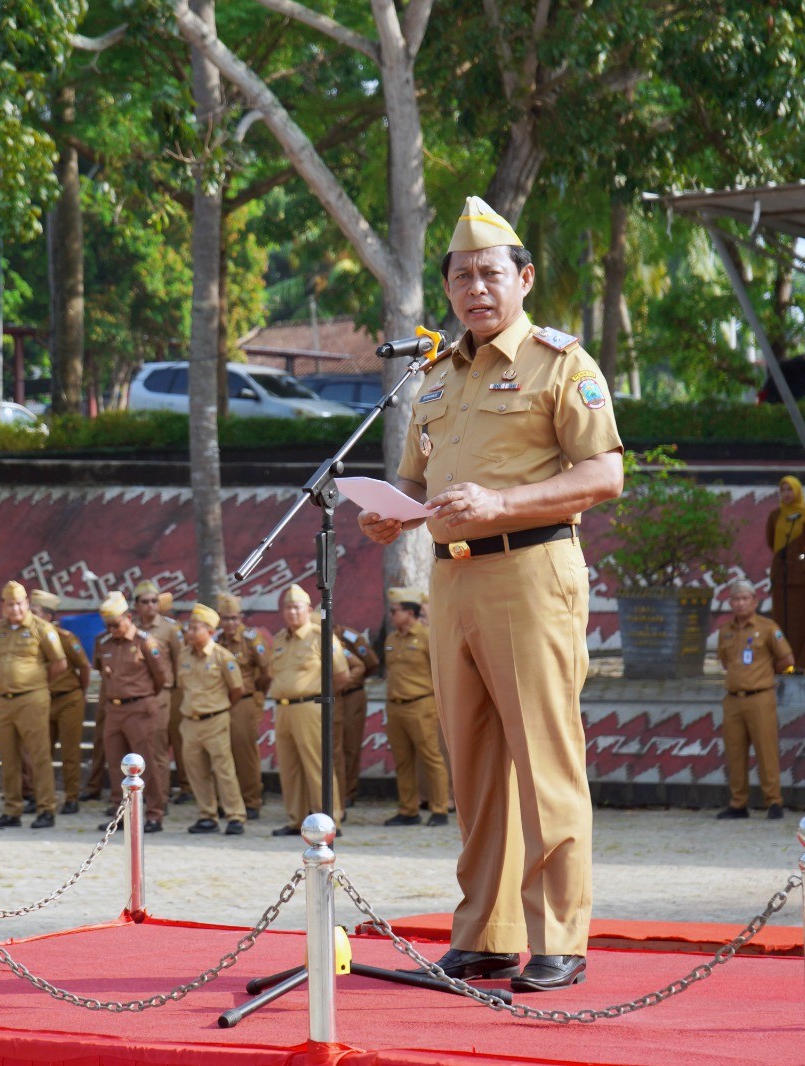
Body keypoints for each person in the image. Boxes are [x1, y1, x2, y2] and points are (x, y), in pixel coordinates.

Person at [358, 195, 623, 993]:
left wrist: (501, 503)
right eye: (461, 277)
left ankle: (559, 938)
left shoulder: (560, 363)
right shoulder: (435, 376)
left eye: (490, 274)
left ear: (523, 279)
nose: (475, 288)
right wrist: (389, 513)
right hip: (453, 578)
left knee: (543, 759)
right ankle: (485, 935)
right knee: (471, 765)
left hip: (531, 573)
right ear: (446, 289)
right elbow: (415, 479)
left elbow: (605, 474)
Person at [266, 584, 349, 837]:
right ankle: (296, 820)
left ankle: (329, 820)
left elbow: (341, 675)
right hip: (283, 708)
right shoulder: (279, 639)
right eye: (288, 607)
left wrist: (321, 696)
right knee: (289, 768)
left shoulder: (320, 636)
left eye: (297, 607)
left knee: (317, 765)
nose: (292, 612)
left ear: (308, 609)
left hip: (310, 707)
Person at [0, 580, 67, 828]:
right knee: (8, 757)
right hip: (5, 700)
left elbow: (59, 664)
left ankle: (46, 808)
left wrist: (38, 683)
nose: (16, 609)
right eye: (10, 605)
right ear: (3, 606)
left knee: (39, 756)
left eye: (19, 604)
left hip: (32, 699)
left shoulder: (41, 628)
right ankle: (12, 810)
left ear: (27, 603)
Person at [714, 579, 794, 820]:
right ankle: (738, 803)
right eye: (735, 599)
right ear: (730, 603)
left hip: (760, 697)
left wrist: (766, 674)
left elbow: (787, 660)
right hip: (733, 699)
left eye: (744, 599)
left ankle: (774, 801)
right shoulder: (725, 631)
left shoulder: (768, 628)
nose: (740, 603)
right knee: (735, 753)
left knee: (766, 751)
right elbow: (725, 662)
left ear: (755, 601)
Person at [94, 591, 172, 832]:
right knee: (116, 764)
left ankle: (154, 813)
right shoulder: (103, 643)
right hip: (114, 710)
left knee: (146, 762)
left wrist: (143, 697)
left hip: (140, 709)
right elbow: (102, 672)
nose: (112, 629)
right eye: (108, 625)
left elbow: (161, 677)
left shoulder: (145, 641)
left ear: (128, 618)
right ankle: (121, 814)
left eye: (116, 625)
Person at [176, 602, 247, 835]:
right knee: (197, 771)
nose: (190, 632)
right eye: (189, 627)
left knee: (224, 771)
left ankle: (235, 816)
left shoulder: (222, 657)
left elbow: (237, 690)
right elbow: (182, 686)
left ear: (210, 631)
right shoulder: (183, 655)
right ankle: (207, 815)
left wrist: (219, 708)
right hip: (190, 722)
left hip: (216, 720)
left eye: (195, 628)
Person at [382, 587, 451, 827]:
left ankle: (440, 808)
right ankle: (408, 810)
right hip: (395, 706)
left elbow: (442, 671)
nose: (391, 616)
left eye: (395, 611)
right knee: (402, 761)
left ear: (409, 613)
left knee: (431, 758)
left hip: (421, 704)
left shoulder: (426, 637)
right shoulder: (391, 639)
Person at [31, 589, 92, 814]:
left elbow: (84, 666)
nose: (29, 616)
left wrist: (82, 691)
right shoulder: (28, 639)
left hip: (68, 699)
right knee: (41, 752)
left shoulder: (65, 638)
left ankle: (71, 797)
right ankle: (41, 798)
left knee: (70, 752)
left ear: (48, 616)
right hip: (42, 700)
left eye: (34, 612)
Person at [216, 592, 270, 821]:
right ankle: (226, 801)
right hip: (219, 703)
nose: (230, 623)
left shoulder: (251, 640)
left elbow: (266, 673)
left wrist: (256, 694)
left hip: (244, 701)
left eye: (234, 618)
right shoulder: (215, 640)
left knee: (245, 754)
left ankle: (251, 801)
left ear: (240, 618)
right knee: (222, 755)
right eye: (226, 618)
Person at [133, 579, 185, 804]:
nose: (150, 606)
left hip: (164, 693)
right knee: (140, 746)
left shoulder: (170, 628)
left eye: (154, 601)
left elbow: (180, 661)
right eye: (145, 602)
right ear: (137, 605)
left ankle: (160, 797)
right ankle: (141, 793)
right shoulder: (132, 628)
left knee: (159, 747)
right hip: (138, 694)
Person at [766, 475, 805, 671]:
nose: (786, 494)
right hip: (780, 574)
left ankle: (800, 663)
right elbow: (771, 541)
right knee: (780, 619)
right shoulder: (775, 516)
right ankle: (782, 663)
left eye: (790, 489)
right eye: (783, 490)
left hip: (800, 575)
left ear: (797, 491)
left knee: (800, 619)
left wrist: (799, 559)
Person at [335, 625, 380, 808]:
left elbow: (370, 663)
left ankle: (348, 792)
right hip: (330, 698)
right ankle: (334, 791)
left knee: (350, 745)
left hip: (351, 695)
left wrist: (351, 682)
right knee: (332, 747)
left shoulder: (349, 636)